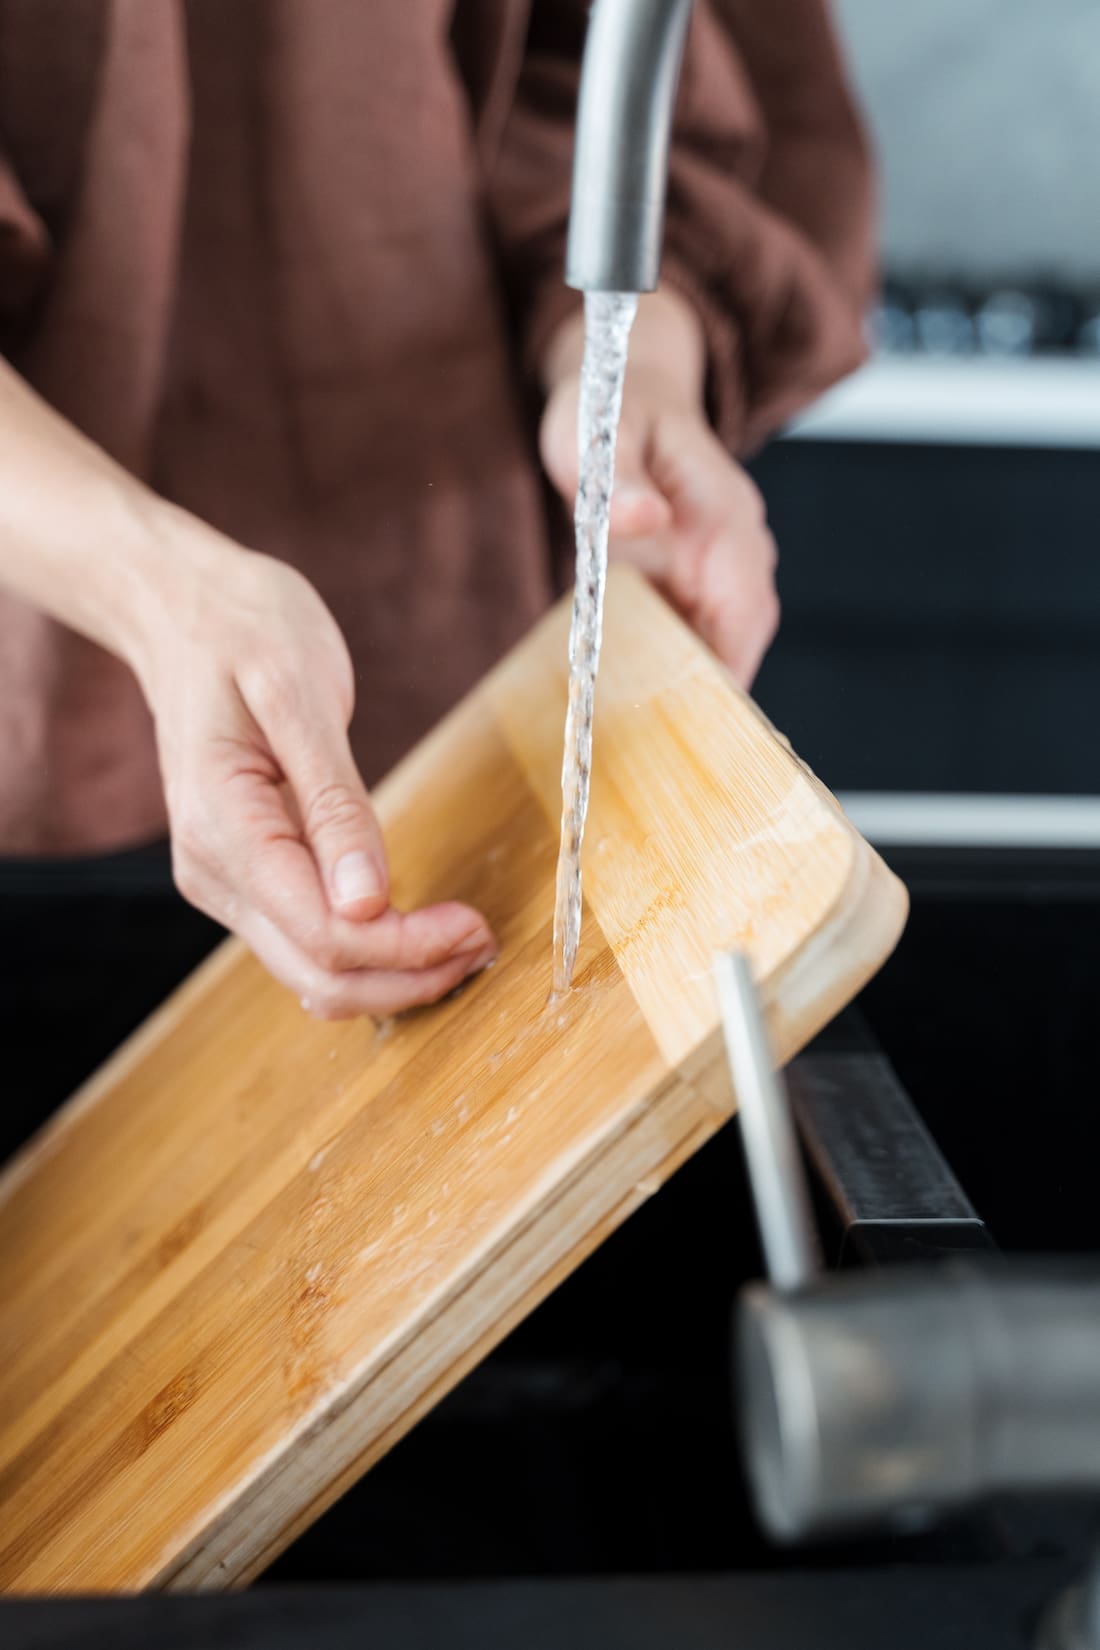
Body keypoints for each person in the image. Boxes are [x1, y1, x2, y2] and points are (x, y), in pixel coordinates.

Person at [0, 2, 872, 1131]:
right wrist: (155, 591)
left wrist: (629, 380)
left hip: (464, 677)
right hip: (35, 720)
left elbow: (603, 75)